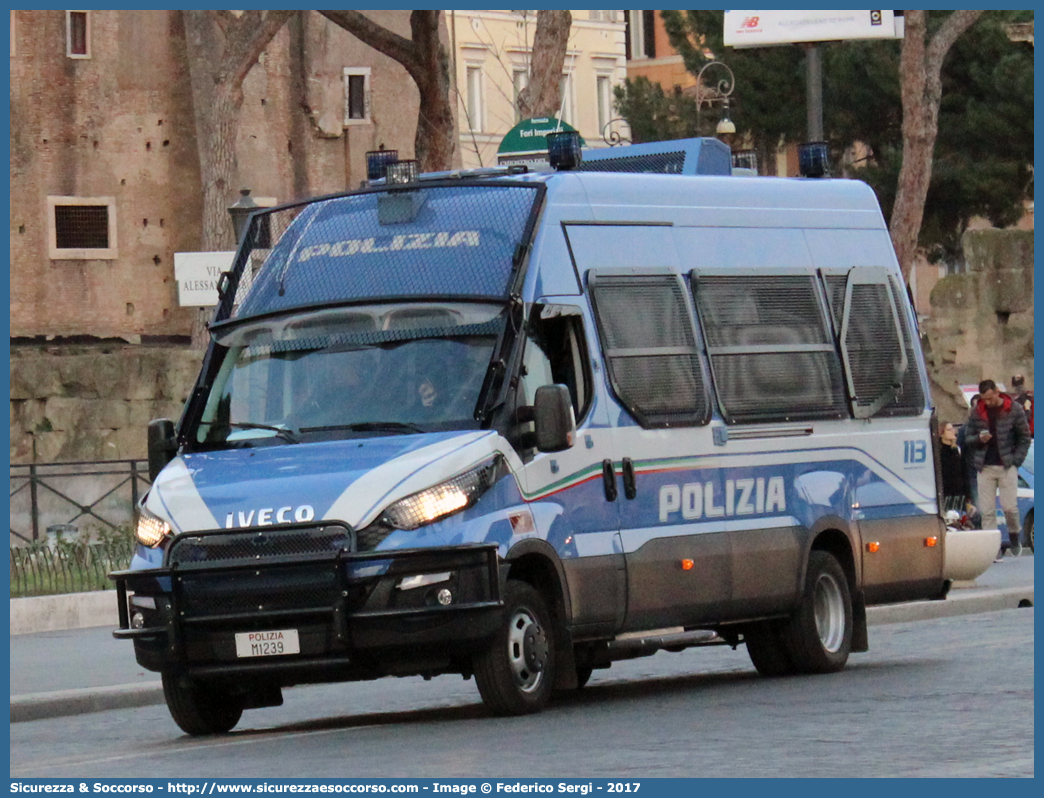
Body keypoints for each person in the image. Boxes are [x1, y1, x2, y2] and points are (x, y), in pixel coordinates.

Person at [963, 378, 1032, 558]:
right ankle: (992, 548)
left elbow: (1025, 437)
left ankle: (1014, 534)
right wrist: (979, 438)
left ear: (996, 392)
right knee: (987, 511)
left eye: (990, 398)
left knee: (1010, 507)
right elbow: (967, 437)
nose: (988, 402)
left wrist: (1016, 460)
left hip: (1006, 465)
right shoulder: (977, 412)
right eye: (984, 399)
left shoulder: (1013, 409)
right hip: (985, 466)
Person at [938, 422, 974, 518]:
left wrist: (968, 495)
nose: (953, 431)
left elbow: (964, 472)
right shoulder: (939, 452)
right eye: (949, 429)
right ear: (942, 433)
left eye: (953, 429)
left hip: (959, 493)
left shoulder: (957, 450)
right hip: (946, 494)